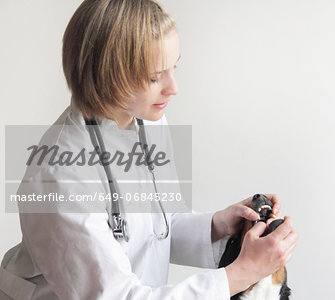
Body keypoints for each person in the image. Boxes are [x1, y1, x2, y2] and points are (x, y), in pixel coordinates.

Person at [0, 0, 298, 299]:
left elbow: (155, 228)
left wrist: (221, 226)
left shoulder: (146, 120)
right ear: (108, 76)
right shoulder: (59, 175)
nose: (173, 87)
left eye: (173, 67)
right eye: (155, 77)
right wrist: (242, 273)